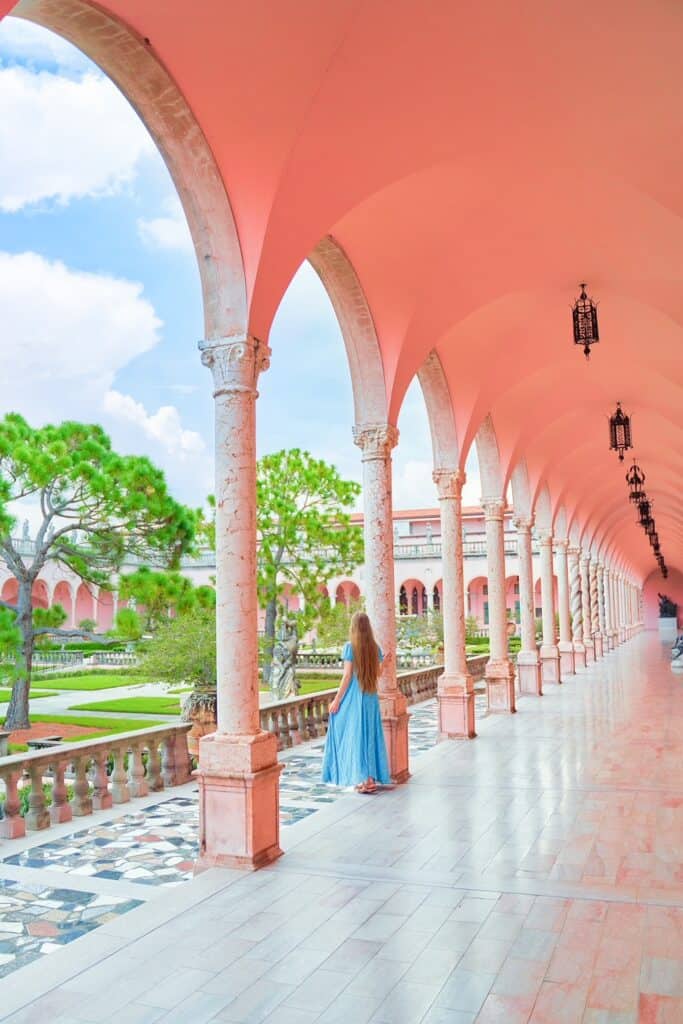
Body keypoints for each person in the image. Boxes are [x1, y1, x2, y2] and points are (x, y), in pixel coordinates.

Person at [321, 611, 391, 794]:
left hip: (354, 697)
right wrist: (386, 663)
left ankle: (363, 779)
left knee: (355, 735)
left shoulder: (350, 647)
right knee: (370, 735)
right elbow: (378, 674)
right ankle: (369, 779)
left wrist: (336, 700)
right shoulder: (374, 648)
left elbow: (347, 676)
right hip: (370, 697)